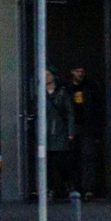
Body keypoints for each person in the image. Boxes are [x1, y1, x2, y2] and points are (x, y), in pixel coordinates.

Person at [67, 64, 108, 199]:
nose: (80, 73)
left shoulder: (90, 87)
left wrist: (97, 129)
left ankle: (88, 188)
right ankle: (75, 186)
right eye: (77, 71)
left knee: (88, 157)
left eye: (82, 71)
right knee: (73, 158)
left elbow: (98, 108)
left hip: (87, 126)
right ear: (72, 72)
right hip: (73, 126)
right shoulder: (67, 88)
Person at [42, 70, 70, 199]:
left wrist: (71, 132)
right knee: (47, 163)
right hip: (44, 133)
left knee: (60, 161)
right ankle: (51, 188)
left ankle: (61, 187)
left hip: (59, 131)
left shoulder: (62, 93)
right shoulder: (40, 93)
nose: (46, 77)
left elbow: (69, 113)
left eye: (48, 74)